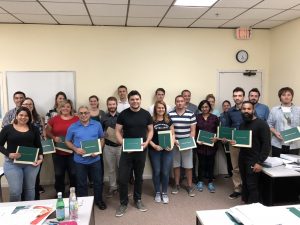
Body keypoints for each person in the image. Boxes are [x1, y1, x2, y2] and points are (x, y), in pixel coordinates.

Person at [115, 90, 153, 217]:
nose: (135, 101)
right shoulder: (123, 114)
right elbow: (117, 131)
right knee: (123, 178)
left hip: (141, 150)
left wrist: (147, 142)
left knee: (139, 177)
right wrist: (123, 144)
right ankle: (123, 203)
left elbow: (150, 130)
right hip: (127, 151)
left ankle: (138, 200)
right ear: (129, 100)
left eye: (137, 99)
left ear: (140, 100)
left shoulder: (146, 114)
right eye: (132, 99)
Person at [65, 105, 106, 210]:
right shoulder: (73, 127)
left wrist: (98, 150)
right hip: (80, 161)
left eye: (86, 113)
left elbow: (102, 138)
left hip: (95, 159)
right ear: (78, 115)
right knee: (81, 183)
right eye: (81, 113)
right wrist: (75, 149)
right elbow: (67, 141)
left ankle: (99, 200)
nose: (83, 115)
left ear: (89, 114)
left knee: (98, 181)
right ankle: (83, 202)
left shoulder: (97, 125)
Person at [0, 107, 43, 202]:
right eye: (21, 115)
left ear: (29, 117)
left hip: (31, 164)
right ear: (16, 116)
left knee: (30, 190)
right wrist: (9, 154)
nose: (23, 117)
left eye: (26, 115)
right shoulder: (7, 128)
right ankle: (15, 212)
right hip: (12, 164)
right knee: (15, 191)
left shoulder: (34, 129)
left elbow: (38, 145)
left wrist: (40, 158)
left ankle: (29, 211)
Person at [236, 101, 271, 203]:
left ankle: (253, 208)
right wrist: (235, 142)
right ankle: (246, 204)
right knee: (245, 183)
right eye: (244, 109)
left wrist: (260, 162)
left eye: (249, 109)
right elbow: (243, 142)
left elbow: (266, 145)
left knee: (252, 185)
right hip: (242, 158)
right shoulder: (242, 124)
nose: (246, 111)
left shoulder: (262, 124)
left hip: (254, 159)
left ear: (253, 110)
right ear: (241, 110)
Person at [46, 99, 79, 197]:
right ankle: (59, 192)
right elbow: (47, 131)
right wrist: (53, 137)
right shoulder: (54, 119)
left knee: (73, 174)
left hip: (73, 151)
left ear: (71, 108)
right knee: (59, 174)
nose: (65, 108)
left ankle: (73, 192)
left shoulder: (76, 119)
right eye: (63, 106)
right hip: (58, 152)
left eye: (68, 106)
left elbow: (81, 132)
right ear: (60, 108)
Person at [169, 95, 196, 197]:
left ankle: (189, 186)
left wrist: (188, 142)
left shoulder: (191, 114)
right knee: (176, 166)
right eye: (178, 101)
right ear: (175, 102)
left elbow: (193, 131)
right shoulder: (170, 114)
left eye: (181, 101)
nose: (180, 103)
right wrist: (174, 140)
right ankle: (176, 185)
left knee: (188, 166)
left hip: (187, 144)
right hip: (175, 143)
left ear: (185, 102)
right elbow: (170, 130)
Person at [149, 101, 175, 204]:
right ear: (155, 109)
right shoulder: (151, 120)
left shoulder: (168, 120)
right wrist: (154, 146)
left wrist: (171, 145)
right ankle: (157, 192)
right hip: (154, 150)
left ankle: (164, 192)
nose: (161, 109)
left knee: (165, 172)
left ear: (165, 109)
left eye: (163, 108)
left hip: (167, 150)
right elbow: (147, 136)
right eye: (159, 108)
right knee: (156, 171)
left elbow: (173, 134)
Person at [21, 97, 46, 199]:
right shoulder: (19, 117)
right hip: (23, 151)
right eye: (26, 104)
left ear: (33, 106)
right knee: (22, 177)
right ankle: (24, 200)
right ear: (22, 106)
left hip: (37, 150)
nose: (28, 106)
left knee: (35, 177)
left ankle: (36, 199)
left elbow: (43, 132)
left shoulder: (38, 117)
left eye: (30, 104)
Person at [267, 87, 300, 157]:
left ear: (292, 97)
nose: (286, 97)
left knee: (292, 166)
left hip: (294, 145)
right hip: (277, 144)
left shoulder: (298, 110)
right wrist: (275, 132)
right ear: (280, 97)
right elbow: (269, 124)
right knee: (278, 166)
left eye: (289, 95)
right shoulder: (274, 110)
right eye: (283, 95)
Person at [195, 100, 219, 193]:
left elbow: (218, 130)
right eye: (203, 107)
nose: (204, 108)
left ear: (209, 107)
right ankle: (200, 181)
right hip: (200, 145)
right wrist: (197, 140)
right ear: (200, 108)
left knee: (211, 164)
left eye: (206, 107)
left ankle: (210, 182)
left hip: (212, 145)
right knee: (201, 164)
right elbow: (194, 131)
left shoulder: (215, 118)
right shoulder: (197, 117)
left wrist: (216, 138)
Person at [226, 87, 245, 199]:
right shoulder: (230, 112)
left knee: (247, 166)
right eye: (235, 95)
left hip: (248, 143)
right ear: (233, 97)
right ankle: (237, 189)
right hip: (234, 143)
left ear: (243, 96)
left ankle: (247, 188)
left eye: (239, 95)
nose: (237, 98)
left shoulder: (248, 108)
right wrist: (226, 137)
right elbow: (228, 127)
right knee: (236, 167)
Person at [101, 96, 121, 198]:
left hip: (120, 146)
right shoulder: (103, 117)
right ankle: (113, 187)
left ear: (116, 105)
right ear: (107, 105)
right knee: (111, 169)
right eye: (110, 104)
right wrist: (103, 134)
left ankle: (122, 187)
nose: (112, 106)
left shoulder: (122, 116)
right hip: (108, 147)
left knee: (122, 168)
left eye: (113, 104)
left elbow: (126, 129)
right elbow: (101, 131)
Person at [181, 89, 198, 183]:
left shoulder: (194, 107)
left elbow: (196, 122)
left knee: (192, 158)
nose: (187, 97)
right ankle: (182, 176)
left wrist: (193, 137)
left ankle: (193, 176)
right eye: (185, 95)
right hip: (180, 138)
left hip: (190, 137)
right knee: (180, 158)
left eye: (188, 95)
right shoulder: (177, 106)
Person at [219, 100, 233, 179]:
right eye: (224, 105)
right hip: (224, 139)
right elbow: (219, 128)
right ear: (222, 107)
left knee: (235, 157)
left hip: (233, 139)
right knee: (228, 157)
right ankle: (230, 173)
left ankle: (236, 174)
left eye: (228, 105)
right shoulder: (220, 116)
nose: (226, 107)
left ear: (230, 106)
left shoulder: (233, 115)